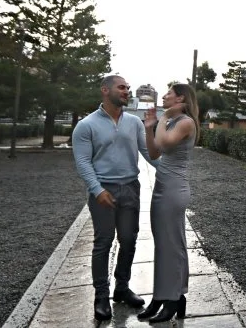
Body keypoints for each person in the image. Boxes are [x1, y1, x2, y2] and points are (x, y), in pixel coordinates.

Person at [72, 75, 161, 321]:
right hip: (104, 190)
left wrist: (170, 173)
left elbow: (148, 153)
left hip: (131, 188)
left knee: (129, 240)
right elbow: (82, 162)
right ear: (105, 90)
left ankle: (121, 288)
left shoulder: (133, 122)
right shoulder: (86, 125)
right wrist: (97, 190)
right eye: (121, 87)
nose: (126, 91)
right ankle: (101, 296)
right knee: (103, 242)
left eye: (127, 88)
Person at [136, 82, 200, 323]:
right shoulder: (172, 122)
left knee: (171, 246)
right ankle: (163, 297)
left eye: (168, 94)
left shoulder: (184, 122)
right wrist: (149, 127)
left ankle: (172, 299)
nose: (163, 96)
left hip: (174, 191)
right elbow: (154, 153)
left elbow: (164, 144)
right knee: (165, 246)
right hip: (163, 188)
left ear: (180, 98)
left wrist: (162, 119)